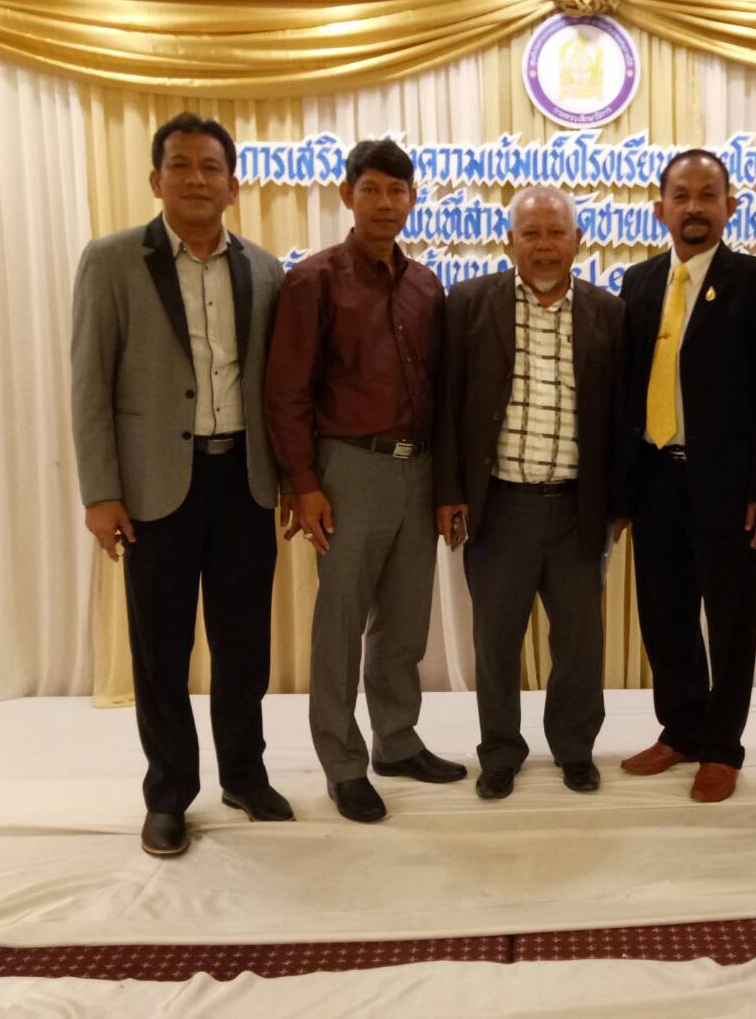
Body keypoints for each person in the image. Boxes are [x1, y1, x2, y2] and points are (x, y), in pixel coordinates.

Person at [70, 112, 293, 857]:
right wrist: (100, 492)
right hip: (154, 487)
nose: (196, 178)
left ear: (232, 186)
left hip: (244, 481)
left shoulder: (264, 269)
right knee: (160, 650)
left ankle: (245, 776)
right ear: (155, 178)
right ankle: (168, 795)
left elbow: (279, 386)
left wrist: (292, 478)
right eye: (180, 165)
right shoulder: (111, 261)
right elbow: (89, 383)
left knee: (244, 646)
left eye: (210, 167)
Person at [264, 139, 466, 824]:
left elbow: (442, 391)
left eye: (397, 190)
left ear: (413, 199)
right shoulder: (313, 280)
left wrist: (446, 485)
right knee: (341, 623)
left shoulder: (425, 285)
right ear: (347, 195)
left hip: (419, 468)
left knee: (404, 623)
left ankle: (396, 742)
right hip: (348, 468)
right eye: (372, 189)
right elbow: (286, 392)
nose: (385, 203)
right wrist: (304, 484)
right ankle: (343, 764)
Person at [433, 186, 625, 801]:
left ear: (578, 240)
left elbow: (620, 415)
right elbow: (447, 405)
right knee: (495, 642)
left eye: (556, 232)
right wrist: (449, 492)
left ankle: (574, 748)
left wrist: (621, 502)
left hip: (577, 508)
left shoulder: (609, 311)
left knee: (580, 643)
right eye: (531, 233)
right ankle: (499, 753)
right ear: (509, 240)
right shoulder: (469, 304)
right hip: (499, 506)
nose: (544, 246)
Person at [614, 149, 756, 804]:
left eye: (707, 195)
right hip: (654, 479)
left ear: (730, 206)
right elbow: (624, 392)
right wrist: (620, 493)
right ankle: (681, 730)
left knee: (731, 619)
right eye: (681, 195)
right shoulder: (637, 283)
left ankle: (722, 746)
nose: (694, 207)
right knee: (664, 615)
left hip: (729, 486)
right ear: (659, 208)